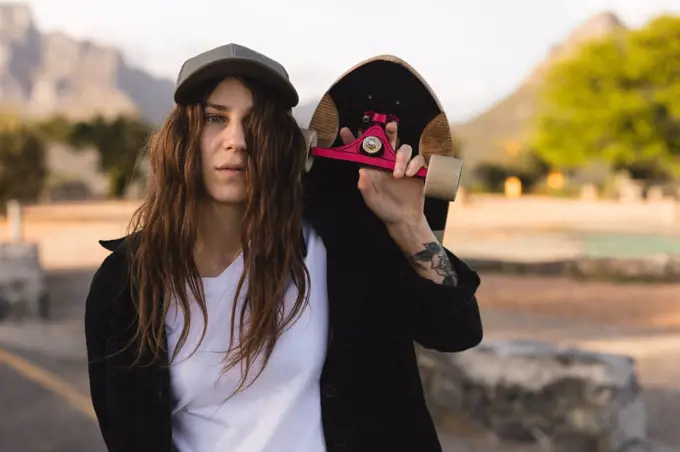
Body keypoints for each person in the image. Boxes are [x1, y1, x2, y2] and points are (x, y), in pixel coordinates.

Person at [84, 43, 483, 452]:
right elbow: (128, 436)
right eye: (214, 118)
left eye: (255, 122)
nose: (236, 139)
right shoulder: (126, 283)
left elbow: (456, 331)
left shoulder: (336, 245)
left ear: (283, 142)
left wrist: (408, 223)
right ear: (182, 138)